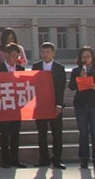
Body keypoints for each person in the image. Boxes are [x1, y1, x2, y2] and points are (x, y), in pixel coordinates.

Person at [69, 46, 95, 170]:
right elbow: (71, 87)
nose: (86, 59)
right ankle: (84, 159)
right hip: (80, 105)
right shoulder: (76, 71)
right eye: (84, 57)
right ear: (80, 58)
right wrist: (79, 78)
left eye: (88, 56)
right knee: (83, 132)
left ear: (92, 57)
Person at [32, 41, 66, 169]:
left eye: (48, 52)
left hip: (55, 106)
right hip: (41, 106)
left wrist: (59, 104)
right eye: (43, 52)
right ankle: (44, 159)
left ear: (53, 53)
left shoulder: (59, 68)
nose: (45, 54)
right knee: (42, 134)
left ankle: (57, 159)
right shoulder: (36, 66)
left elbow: (61, 87)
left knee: (57, 134)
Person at [0, 43, 27, 168]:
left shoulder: (21, 69)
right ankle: (5, 159)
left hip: (16, 106)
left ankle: (15, 159)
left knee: (15, 134)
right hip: (3, 106)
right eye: (13, 56)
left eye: (17, 57)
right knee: (5, 134)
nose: (15, 59)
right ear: (6, 55)